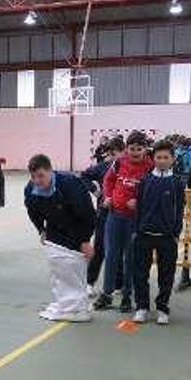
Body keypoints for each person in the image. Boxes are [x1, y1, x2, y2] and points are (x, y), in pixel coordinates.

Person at [24, 154, 96, 322]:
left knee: (73, 267)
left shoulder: (70, 184)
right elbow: (32, 211)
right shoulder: (31, 189)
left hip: (76, 228)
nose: (37, 180)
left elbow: (87, 214)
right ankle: (64, 304)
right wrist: (41, 229)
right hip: (54, 227)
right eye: (33, 177)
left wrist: (85, 240)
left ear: (50, 171)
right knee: (58, 266)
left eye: (41, 175)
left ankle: (78, 309)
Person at [94, 131, 154, 312]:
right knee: (111, 255)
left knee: (131, 258)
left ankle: (127, 296)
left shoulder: (150, 167)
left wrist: (140, 202)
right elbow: (108, 180)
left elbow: (153, 193)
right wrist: (108, 196)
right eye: (132, 148)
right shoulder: (119, 163)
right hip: (115, 216)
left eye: (139, 149)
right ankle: (106, 294)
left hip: (135, 220)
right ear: (126, 148)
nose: (135, 152)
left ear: (145, 149)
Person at [132, 140, 185, 325]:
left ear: (172, 159)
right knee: (140, 274)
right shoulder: (146, 180)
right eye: (158, 157)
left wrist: (176, 232)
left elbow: (179, 210)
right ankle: (142, 307)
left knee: (166, 275)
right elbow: (139, 207)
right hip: (144, 235)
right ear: (153, 158)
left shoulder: (177, 183)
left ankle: (163, 308)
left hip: (167, 237)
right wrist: (137, 230)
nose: (162, 160)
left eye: (165, 157)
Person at [81, 136, 125, 295]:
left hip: (122, 215)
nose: (116, 157)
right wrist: (94, 189)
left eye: (119, 153)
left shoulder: (128, 168)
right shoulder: (103, 167)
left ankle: (119, 284)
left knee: (119, 250)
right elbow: (83, 175)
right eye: (113, 154)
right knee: (99, 248)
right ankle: (89, 282)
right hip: (104, 214)